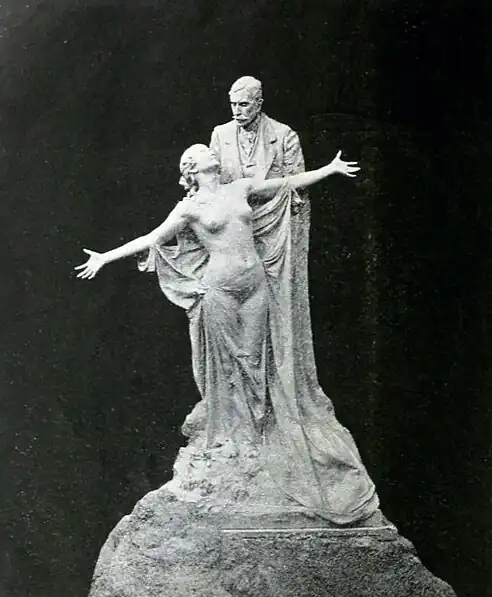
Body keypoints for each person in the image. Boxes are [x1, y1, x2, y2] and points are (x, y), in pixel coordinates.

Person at [76, 142, 381, 527]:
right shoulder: (189, 209)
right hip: (220, 290)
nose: (212, 153)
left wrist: (329, 169)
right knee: (229, 368)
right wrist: (105, 257)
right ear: (192, 167)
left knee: (255, 362)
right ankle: (235, 442)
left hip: (255, 285)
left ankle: (257, 440)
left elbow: (286, 182)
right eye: (204, 152)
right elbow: (151, 239)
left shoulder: (239, 188)